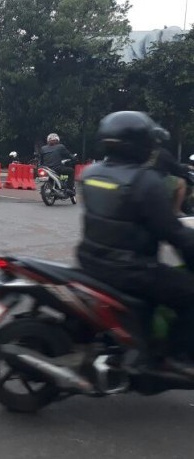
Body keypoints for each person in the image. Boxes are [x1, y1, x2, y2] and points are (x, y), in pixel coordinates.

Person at [77, 110, 194, 376]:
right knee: (190, 294)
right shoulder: (145, 182)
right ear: (140, 144)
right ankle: (177, 356)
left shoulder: (91, 173)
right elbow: (173, 232)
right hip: (131, 271)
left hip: (90, 261)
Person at [146, 145, 192, 216]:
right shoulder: (161, 152)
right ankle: (176, 210)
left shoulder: (142, 151)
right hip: (158, 179)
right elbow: (175, 167)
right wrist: (187, 167)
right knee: (182, 182)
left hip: (141, 179)